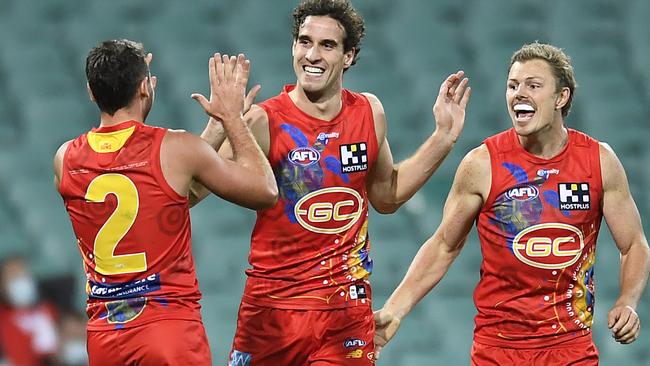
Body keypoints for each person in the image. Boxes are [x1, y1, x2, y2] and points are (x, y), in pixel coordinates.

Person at [190, 0, 471, 364]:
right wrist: (219, 125)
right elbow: (192, 192)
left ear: (349, 56)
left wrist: (443, 137)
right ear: (293, 47)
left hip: (345, 314)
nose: (313, 54)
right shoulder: (264, 121)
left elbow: (386, 196)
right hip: (273, 314)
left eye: (327, 45)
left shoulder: (369, 112)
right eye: (304, 41)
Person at [373, 42, 650, 365]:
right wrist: (394, 310)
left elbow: (633, 244)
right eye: (513, 86)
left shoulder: (598, 162)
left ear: (561, 97)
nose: (519, 94)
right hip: (498, 350)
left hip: (570, 348)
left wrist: (627, 301)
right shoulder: (482, 164)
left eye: (533, 85)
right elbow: (443, 246)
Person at [53, 39, 277, 365]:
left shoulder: (65, 158)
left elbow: (154, 197)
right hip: (168, 329)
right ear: (145, 87)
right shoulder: (176, 148)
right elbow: (264, 190)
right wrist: (232, 119)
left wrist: (213, 129)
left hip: (106, 336)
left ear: (91, 91)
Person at [0, 256, 59, 366]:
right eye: (13, 276)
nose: (20, 280)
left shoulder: (50, 310)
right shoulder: (2, 318)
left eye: (22, 273)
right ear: (2, 286)